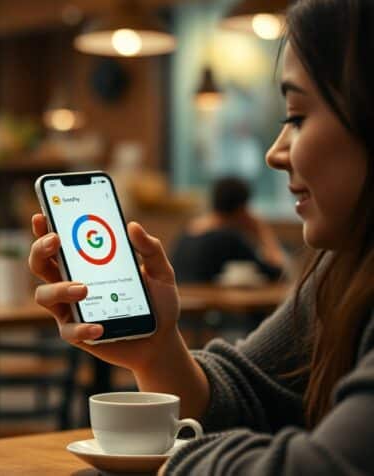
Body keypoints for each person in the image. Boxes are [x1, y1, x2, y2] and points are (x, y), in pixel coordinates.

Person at [29, 0, 373, 474]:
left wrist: (174, 461)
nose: (275, 153)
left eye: (296, 117)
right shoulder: (346, 269)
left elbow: (322, 467)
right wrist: (156, 349)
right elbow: (252, 393)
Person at [171, 176, 286, 283]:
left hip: (183, 301)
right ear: (242, 209)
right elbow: (277, 272)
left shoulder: (188, 232)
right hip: (209, 303)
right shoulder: (227, 238)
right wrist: (262, 231)